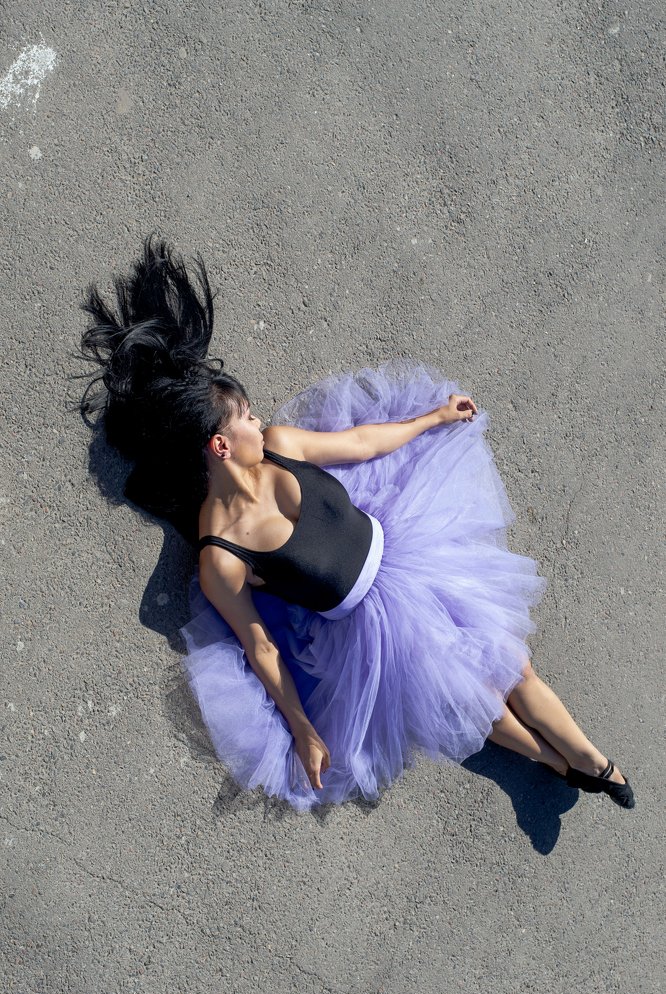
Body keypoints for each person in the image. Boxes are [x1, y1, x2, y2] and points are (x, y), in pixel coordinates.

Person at [77, 235, 635, 813]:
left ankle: (594, 763)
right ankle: (557, 763)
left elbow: (362, 443)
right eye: (246, 416)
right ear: (220, 445)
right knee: (477, 703)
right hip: (373, 627)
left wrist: (432, 419)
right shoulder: (221, 556)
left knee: (512, 665)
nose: (258, 419)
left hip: (411, 551)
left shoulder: (281, 446)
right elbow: (260, 646)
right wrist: (302, 728)